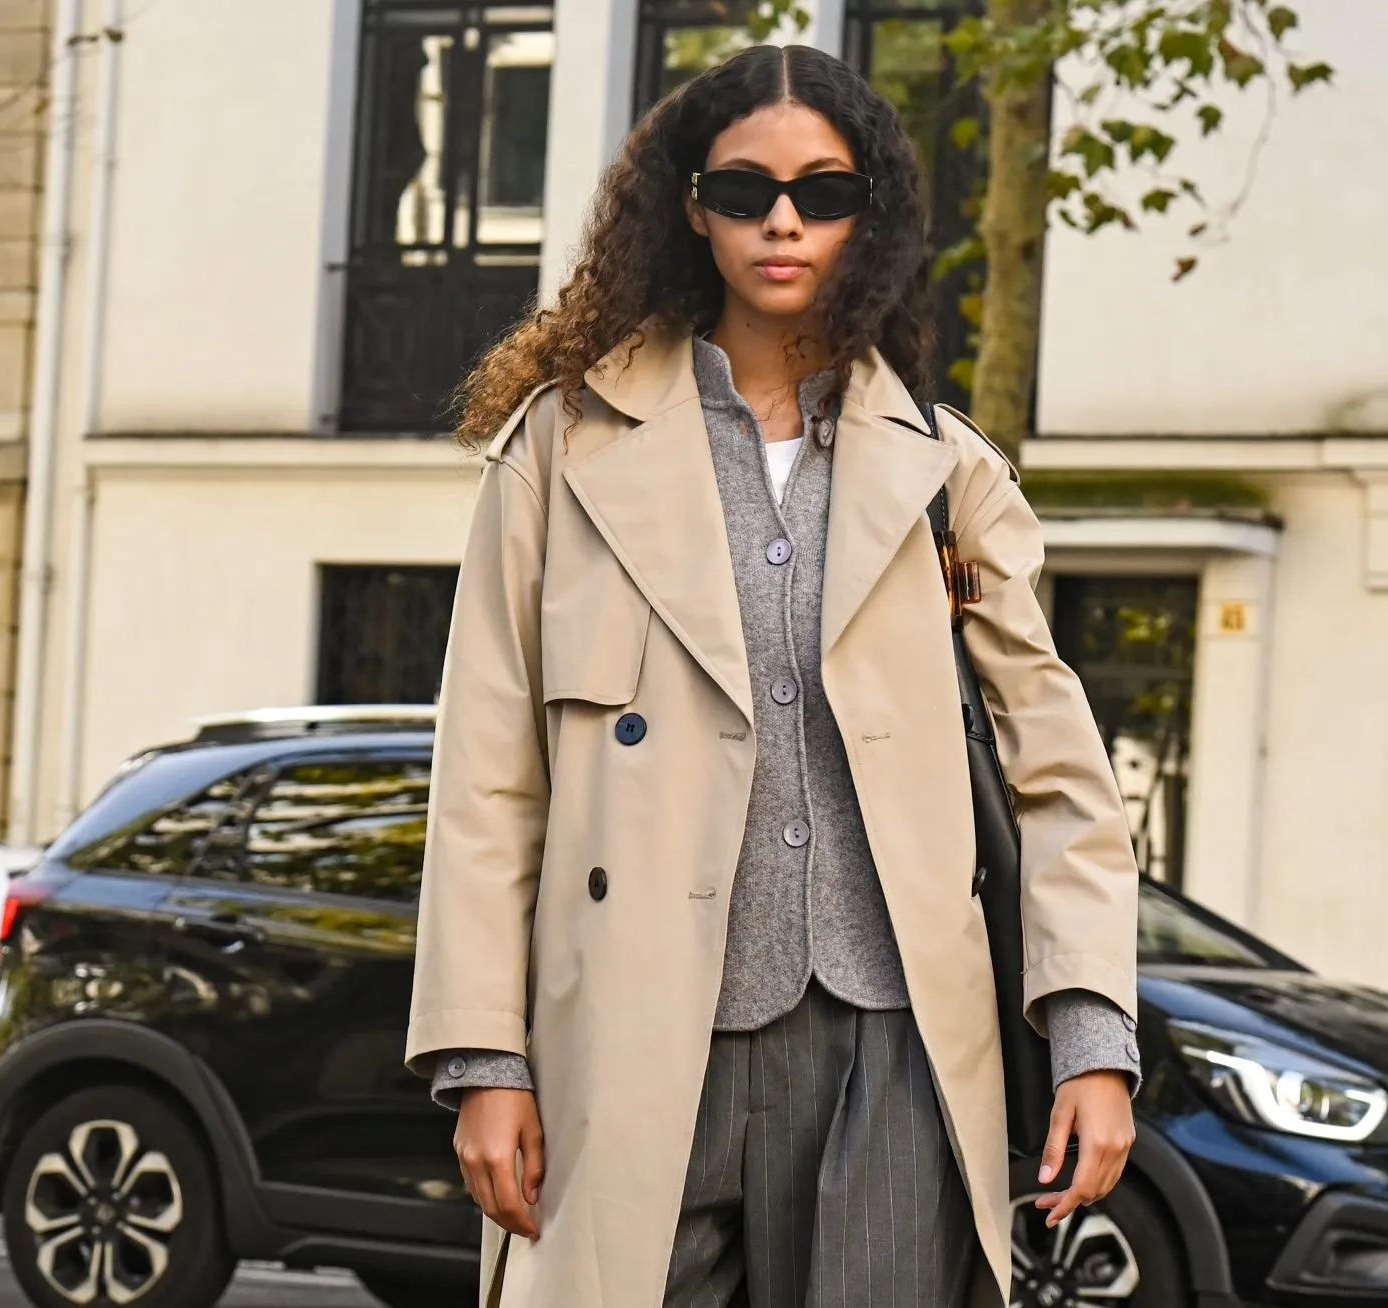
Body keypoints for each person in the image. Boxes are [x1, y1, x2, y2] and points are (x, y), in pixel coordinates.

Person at [406, 42, 1142, 1308]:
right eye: (744, 191)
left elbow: (1057, 778)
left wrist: (1090, 1039)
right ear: (691, 208)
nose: (783, 221)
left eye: (823, 192)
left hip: (890, 1046)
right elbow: (485, 782)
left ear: (872, 216)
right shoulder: (559, 452)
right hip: (632, 1036)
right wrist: (483, 1057)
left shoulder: (947, 477)